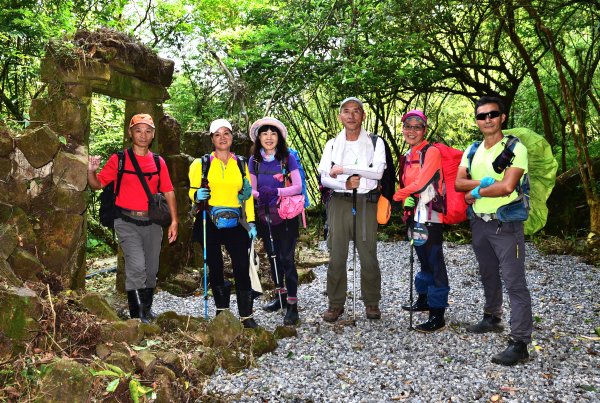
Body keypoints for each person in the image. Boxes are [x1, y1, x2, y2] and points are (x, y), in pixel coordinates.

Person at [455, 96, 533, 366]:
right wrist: (482, 184)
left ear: (502, 117)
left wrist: (475, 191)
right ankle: (492, 317)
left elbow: (507, 187)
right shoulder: (472, 149)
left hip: (506, 223)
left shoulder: (515, 148)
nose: (487, 119)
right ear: (477, 121)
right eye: (481, 115)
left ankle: (521, 341)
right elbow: (457, 182)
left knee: (514, 281)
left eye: (492, 114)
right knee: (488, 272)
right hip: (479, 221)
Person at [88, 113, 179, 323]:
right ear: (131, 133)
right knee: (137, 266)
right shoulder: (118, 160)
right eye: (138, 130)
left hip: (153, 223)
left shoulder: (158, 162)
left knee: (152, 268)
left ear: (153, 134)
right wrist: (91, 171)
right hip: (126, 221)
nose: (143, 135)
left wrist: (174, 221)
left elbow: (169, 191)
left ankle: (146, 310)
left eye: (148, 131)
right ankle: (137, 316)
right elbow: (97, 184)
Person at [317, 97, 386, 322]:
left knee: (368, 255)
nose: (351, 115)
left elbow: (377, 173)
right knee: (337, 255)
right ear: (340, 116)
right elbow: (325, 177)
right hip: (338, 202)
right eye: (346, 111)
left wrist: (345, 169)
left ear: (363, 116)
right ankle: (335, 303)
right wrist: (344, 183)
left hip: (366, 202)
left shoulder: (376, 142)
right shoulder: (332, 144)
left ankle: (372, 302)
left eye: (356, 111)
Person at [188, 119, 259, 328]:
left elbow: (247, 196)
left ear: (232, 137)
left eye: (226, 133)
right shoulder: (200, 164)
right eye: (217, 134)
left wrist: (252, 222)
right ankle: (222, 312)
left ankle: (246, 316)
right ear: (211, 139)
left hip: (236, 221)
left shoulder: (242, 163)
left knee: (241, 265)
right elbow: (192, 191)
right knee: (215, 266)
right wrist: (195, 194)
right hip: (208, 220)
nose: (222, 138)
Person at [392, 110, 449, 332]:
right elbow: (410, 186)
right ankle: (424, 299)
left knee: (434, 262)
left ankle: (438, 314)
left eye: (417, 126)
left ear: (424, 130)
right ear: (403, 129)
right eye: (408, 126)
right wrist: (404, 200)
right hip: (414, 214)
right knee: (422, 258)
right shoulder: (408, 155)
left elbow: (421, 183)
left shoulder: (431, 152)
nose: (412, 130)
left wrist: (397, 195)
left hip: (431, 215)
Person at [248, 117, 302, 326]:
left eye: (273, 133)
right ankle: (280, 297)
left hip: (286, 215)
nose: (269, 138)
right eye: (264, 133)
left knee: (287, 258)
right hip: (265, 214)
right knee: (273, 257)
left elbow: (297, 186)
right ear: (258, 138)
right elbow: (251, 188)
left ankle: (292, 304)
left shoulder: (287, 158)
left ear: (279, 137)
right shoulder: (255, 161)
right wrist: (259, 195)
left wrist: (276, 191)